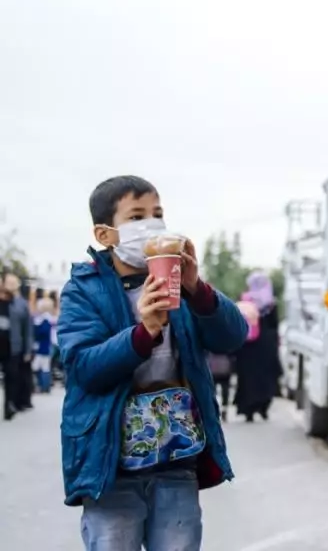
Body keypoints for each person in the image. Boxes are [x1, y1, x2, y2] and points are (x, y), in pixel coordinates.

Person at [58, 175, 248, 551]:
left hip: (177, 462)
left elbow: (233, 337)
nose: (152, 223)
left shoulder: (176, 284)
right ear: (105, 234)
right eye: (137, 216)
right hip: (112, 469)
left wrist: (199, 290)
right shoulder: (84, 289)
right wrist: (142, 333)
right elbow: (83, 367)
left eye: (158, 213)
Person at [233, 271, 282, 422]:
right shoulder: (270, 303)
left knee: (247, 378)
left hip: (246, 346)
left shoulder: (245, 300)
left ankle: (248, 409)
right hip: (266, 346)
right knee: (265, 378)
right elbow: (274, 325)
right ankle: (263, 407)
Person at [2, 274, 35, 416]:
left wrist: (28, 349)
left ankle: (10, 404)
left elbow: (27, 329)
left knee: (12, 376)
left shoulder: (21, 304)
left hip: (12, 346)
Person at [32, 297, 55, 393]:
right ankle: (45, 386)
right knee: (45, 367)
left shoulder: (44, 320)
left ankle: (43, 386)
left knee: (38, 367)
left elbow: (43, 332)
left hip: (43, 347)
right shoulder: (50, 319)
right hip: (47, 347)